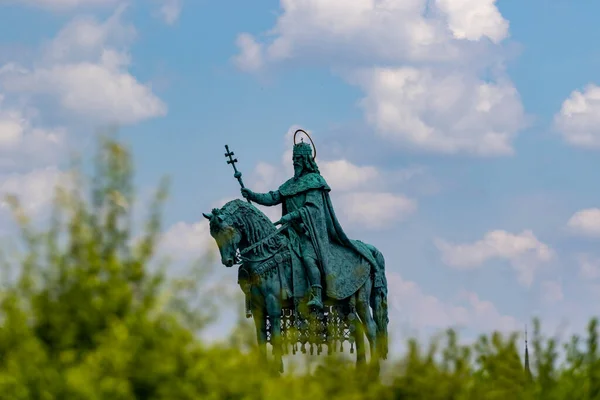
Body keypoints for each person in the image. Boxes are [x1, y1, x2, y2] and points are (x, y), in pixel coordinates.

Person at [241, 139, 378, 310]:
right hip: (289, 233)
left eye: (298, 159)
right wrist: (252, 195)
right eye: (293, 159)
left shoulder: (314, 181)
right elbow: (273, 197)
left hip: (309, 234)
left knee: (308, 258)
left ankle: (316, 294)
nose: (295, 162)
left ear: (306, 160)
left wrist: (291, 215)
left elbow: (312, 209)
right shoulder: (289, 184)